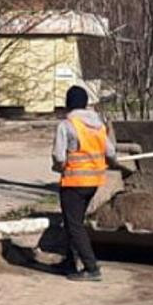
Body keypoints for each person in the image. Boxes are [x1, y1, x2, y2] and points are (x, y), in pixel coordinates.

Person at [52, 85, 119, 282]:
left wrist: (60, 166)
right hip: (94, 182)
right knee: (74, 222)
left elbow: (58, 155)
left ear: (68, 104)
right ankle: (69, 262)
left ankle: (91, 268)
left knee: (73, 225)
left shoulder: (67, 125)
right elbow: (111, 152)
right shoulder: (98, 125)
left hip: (74, 181)